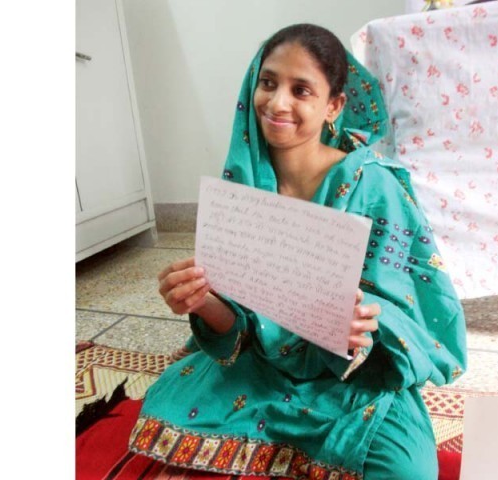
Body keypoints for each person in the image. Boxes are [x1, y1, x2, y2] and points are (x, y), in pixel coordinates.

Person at [128, 23, 467, 480]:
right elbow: (242, 330)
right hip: (260, 367)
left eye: (301, 89)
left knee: (406, 472)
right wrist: (201, 300)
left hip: (350, 380)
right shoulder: (244, 186)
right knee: (163, 411)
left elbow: (422, 310)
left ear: (334, 106)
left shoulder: (374, 187)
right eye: (268, 83)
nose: (277, 102)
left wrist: (364, 323)